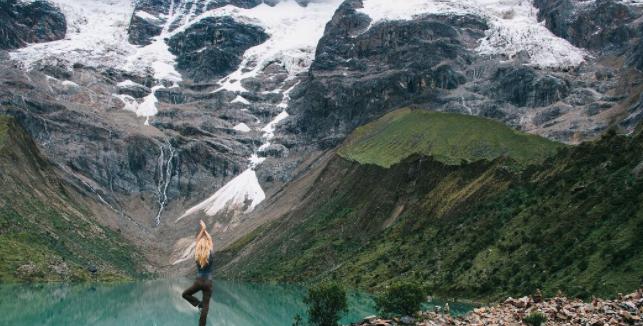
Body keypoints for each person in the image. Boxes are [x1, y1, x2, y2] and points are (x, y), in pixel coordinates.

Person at [182, 220, 214, 326]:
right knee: (206, 308)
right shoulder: (211, 253)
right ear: (208, 245)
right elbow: (210, 239)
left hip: (198, 281)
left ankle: (198, 304)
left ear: (199, 246)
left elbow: (197, 241)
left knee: (185, 294)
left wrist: (202, 229)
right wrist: (206, 231)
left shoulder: (197, 254)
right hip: (208, 282)